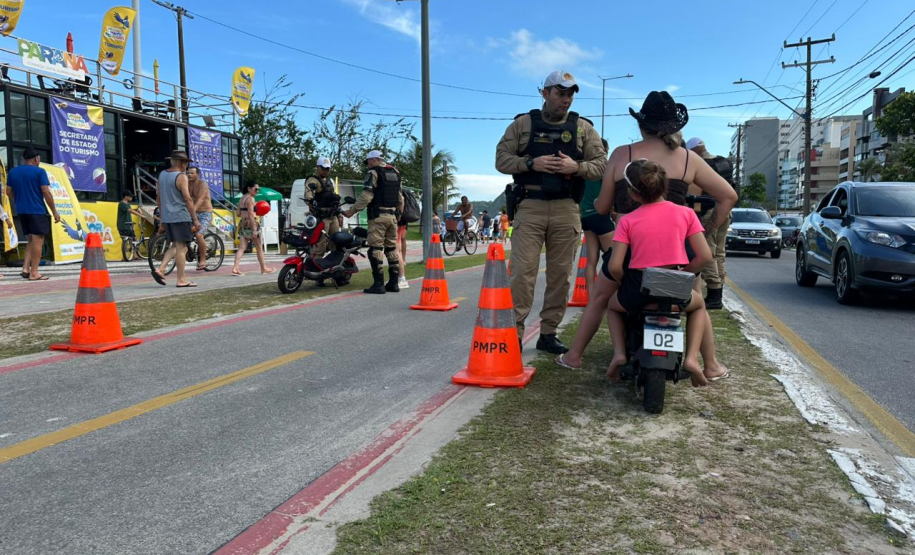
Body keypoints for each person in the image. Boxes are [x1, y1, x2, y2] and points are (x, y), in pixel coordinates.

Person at [591, 90, 736, 380]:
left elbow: (603, 208)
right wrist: (704, 233)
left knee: (602, 299)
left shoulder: (623, 154)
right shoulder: (687, 159)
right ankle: (709, 364)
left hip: (632, 258)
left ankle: (575, 355)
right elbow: (728, 196)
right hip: (678, 256)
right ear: (673, 127)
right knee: (697, 301)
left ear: (641, 124)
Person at [495, 70, 607, 354]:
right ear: (545, 93)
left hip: (566, 208)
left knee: (561, 275)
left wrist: (576, 167)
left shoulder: (583, 128)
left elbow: (602, 164)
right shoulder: (523, 124)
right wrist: (530, 164)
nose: (565, 99)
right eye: (560, 93)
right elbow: (501, 159)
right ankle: (513, 333)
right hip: (530, 206)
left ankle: (548, 333)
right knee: (522, 273)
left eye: (570, 94)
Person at [605, 159, 713, 386]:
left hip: (638, 285)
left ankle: (619, 353)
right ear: (665, 186)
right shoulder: (686, 214)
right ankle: (692, 358)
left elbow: (614, 266)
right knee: (698, 306)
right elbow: (704, 256)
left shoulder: (627, 220)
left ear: (633, 193)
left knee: (613, 307)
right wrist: (683, 276)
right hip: (674, 283)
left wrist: (626, 283)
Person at [342, 150, 404, 294]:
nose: (368, 165)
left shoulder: (373, 173)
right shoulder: (395, 172)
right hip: (392, 217)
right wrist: (398, 214)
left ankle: (378, 284)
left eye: (368, 161)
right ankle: (394, 283)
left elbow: (366, 196)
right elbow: (400, 197)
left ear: (374, 160)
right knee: (391, 249)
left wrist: (351, 211)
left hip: (378, 217)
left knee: (375, 249)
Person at [686, 137, 734, 310]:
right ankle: (719, 290)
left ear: (694, 150)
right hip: (725, 210)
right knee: (719, 252)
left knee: (707, 251)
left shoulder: (701, 164)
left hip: (708, 212)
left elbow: (694, 191)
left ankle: (713, 295)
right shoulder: (723, 162)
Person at [7, 148, 60, 281]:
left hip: (21, 211)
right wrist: (54, 211)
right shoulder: (39, 171)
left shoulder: (13, 172)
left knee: (31, 239)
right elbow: (46, 192)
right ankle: (34, 273)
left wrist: (19, 200)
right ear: (36, 158)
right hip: (36, 210)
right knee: (38, 241)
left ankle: (26, 269)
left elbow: (8, 191)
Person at [152, 150, 200, 288]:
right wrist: (195, 219)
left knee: (174, 245)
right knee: (181, 248)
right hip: (180, 216)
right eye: (186, 163)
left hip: (167, 216)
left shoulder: (162, 175)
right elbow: (187, 199)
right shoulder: (181, 177)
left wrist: (163, 216)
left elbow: (159, 197)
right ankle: (181, 279)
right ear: (183, 163)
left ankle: (161, 269)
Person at [580, 138, 615, 290]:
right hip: (600, 215)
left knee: (591, 261)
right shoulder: (602, 169)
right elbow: (609, 193)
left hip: (585, 216)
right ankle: (606, 294)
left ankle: (591, 297)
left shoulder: (583, 169)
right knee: (613, 258)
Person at [303, 156, 341, 286]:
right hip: (321, 217)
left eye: (327, 169)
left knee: (336, 243)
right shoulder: (312, 180)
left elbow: (335, 198)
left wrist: (339, 214)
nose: (326, 171)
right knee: (320, 245)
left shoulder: (329, 181)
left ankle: (335, 270)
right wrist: (311, 204)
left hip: (333, 215)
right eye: (323, 168)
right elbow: (308, 196)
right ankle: (318, 275)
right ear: (318, 168)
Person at [230, 181, 275, 276]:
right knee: (259, 247)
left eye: (258, 189)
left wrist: (246, 212)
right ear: (249, 188)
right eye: (255, 189)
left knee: (241, 248)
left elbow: (238, 213)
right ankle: (263, 268)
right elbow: (251, 214)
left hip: (243, 224)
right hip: (251, 224)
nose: (257, 191)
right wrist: (254, 229)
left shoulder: (241, 198)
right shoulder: (251, 199)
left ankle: (235, 268)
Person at [187, 166, 213, 271]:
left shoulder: (203, 184)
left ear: (197, 174)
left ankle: (203, 260)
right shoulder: (187, 184)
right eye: (188, 173)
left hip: (205, 214)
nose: (189, 175)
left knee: (199, 235)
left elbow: (201, 199)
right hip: (193, 213)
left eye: (192, 173)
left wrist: (192, 212)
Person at [117, 191, 144, 260]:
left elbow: (131, 210)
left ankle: (134, 255)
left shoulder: (127, 204)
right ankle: (124, 256)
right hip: (123, 225)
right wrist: (141, 215)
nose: (131, 197)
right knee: (125, 240)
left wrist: (137, 209)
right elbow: (130, 210)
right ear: (126, 196)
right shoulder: (122, 203)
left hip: (129, 225)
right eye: (130, 196)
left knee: (133, 239)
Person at [396, 219, 409, 289]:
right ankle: (399, 277)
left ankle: (402, 278)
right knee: (398, 249)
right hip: (401, 221)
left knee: (397, 250)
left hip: (397, 220)